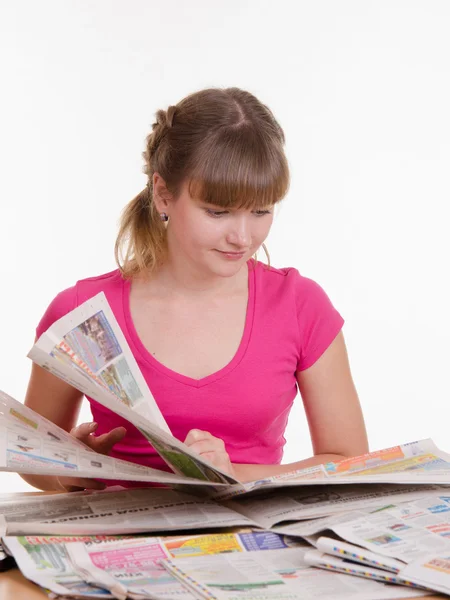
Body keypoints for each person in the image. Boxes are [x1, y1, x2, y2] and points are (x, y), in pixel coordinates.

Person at [21, 87, 368, 492]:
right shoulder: (81, 312)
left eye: (261, 211)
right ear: (164, 193)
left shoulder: (299, 305)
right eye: (217, 211)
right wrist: (70, 472)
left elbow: (348, 463)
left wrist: (234, 475)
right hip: (121, 543)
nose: (242, 237)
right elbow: (34, 461)